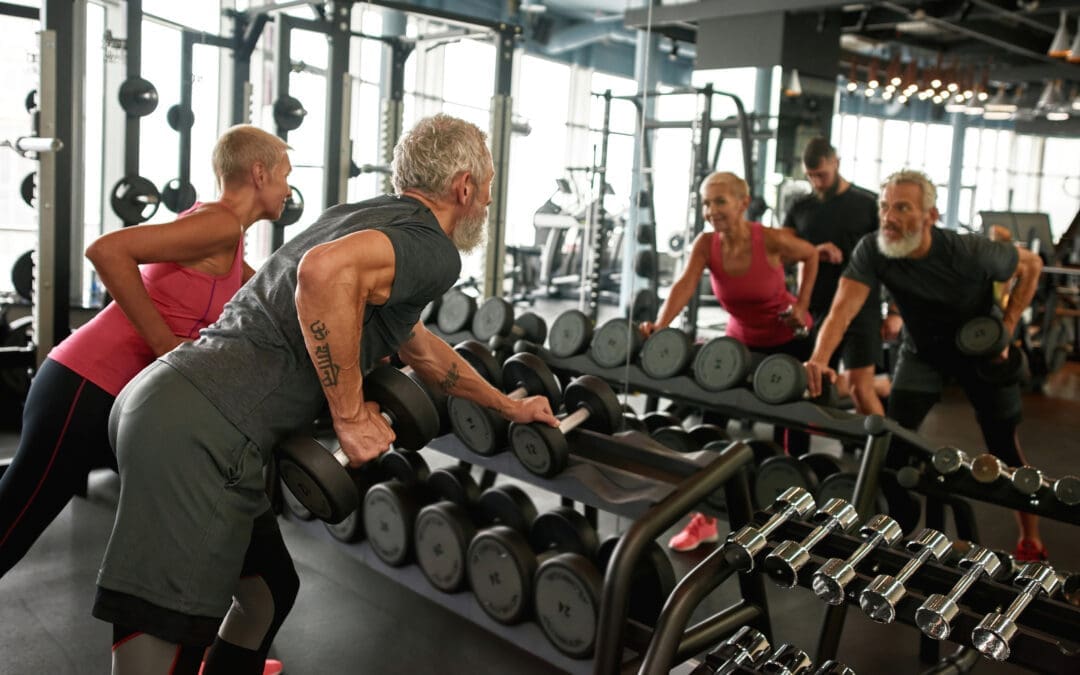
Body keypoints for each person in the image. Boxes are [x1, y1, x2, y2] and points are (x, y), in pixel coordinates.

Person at [91, 114, 559, 675]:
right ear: (464, 187)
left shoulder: (364, 218)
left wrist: (509, 406)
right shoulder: (433, 250)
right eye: (486, 188)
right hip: (200, 433)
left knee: (267, 591)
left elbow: (422, 351)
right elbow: (321, 273)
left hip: (173, 404)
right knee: (162, 643)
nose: (485, 201)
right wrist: (351, 413)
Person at [0, 124, 290, 582]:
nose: (288, 189)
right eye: (285, 175)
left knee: (204, 520)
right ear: (259, 173)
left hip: (117, 400)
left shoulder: (224, 238)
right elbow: (107, 250)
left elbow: (274, 294)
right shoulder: (218, 224)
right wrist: (165, 347)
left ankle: (226, 639)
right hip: (83, 386)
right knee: (11, 525)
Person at [805, 169, 1046, 561]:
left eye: (902, 208)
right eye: (885, 206)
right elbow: (841, 310)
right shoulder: (873, 248)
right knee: (894, 446)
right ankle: (896, 528)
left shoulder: (967, 250)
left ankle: (1031, 538)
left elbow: (1031, 265)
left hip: (980, 353)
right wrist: (819, 357)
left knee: (1003, 448)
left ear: (930, 215)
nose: (889, 217)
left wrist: (1007, 324)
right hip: (922, 354)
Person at [640, 171, 819, 552]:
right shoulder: (706, 245)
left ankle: (793, 525)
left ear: (743, 201)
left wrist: (802, 305)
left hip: (788, 343)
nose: (711, 210)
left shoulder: (768, 239)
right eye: (706, 203)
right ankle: (703, 519)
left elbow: (811, 254)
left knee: (789, 432)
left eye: (719, 201)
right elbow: (685, 284)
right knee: (712, 424)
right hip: (740, 342)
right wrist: (660, 325)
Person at [783, 138, 884, 415]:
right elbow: (783, 255)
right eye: (811, 176)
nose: (817, 182)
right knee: (812, 384)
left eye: (822, 175)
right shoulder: (800, 207)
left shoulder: (869, 204)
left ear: (836, 163)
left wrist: (896, 312)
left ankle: (881, 454)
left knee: (859, 388)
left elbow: (888, 259)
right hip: (817, 306)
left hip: (860, 307)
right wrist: (813, 252)